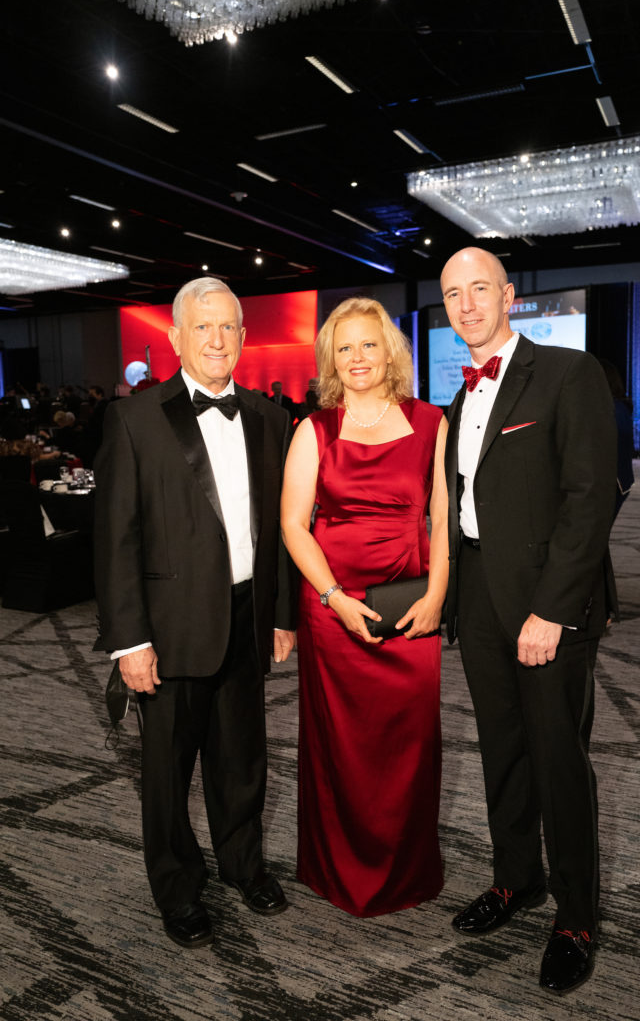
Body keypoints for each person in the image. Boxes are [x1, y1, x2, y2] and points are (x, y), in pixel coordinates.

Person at [93, 277, 297, 950]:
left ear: (243, 336)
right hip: (169, 626)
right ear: (176, 337)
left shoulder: (270, 417)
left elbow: (283, 532)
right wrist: (129, 642)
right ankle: (178, 887)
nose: (217, 339)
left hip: (247, 614)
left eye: (229, 327)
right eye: (202, 327)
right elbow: (116, 540)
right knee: (167, 770)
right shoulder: (134, 419)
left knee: (242, 758)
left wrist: (281, 614)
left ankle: (243, 866)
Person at [441, 247, 617, 995]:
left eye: (480, 289)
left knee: (558, 761)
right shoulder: (458, 399)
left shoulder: (567, 374)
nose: (467, 304)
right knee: (502, 751)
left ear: (509, 297)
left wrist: (551, 609)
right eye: (453, 294)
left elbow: (591, 497)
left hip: (549, 604)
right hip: (480, 597)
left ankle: (576, 916)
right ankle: (518, 879)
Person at [280, 297, 448, 917]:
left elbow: (441, 517)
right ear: (330, 359)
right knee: (341, 749)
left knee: (408, 748)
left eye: (367, 345)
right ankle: (337, 869)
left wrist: (437, 595)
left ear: (390, 353)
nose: (356, 358)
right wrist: (335, 600)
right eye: (343, 347)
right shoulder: (313, 429)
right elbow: (295, 526)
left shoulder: (432, 423)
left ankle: (407, 870)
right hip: (333, 610)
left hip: (412, 608)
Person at [598, 359, 635, 518]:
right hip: (617, 481)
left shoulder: (612, 411)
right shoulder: (618, 408)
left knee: (595, 535)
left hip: (610, 482)